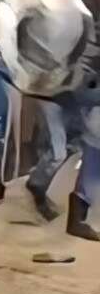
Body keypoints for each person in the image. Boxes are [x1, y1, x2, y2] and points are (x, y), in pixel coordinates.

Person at [26, 99, 100, 240]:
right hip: (53, 97)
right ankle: (36, 185)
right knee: (58, 154)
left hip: (74, 98)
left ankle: (77, 219)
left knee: (83, 144)